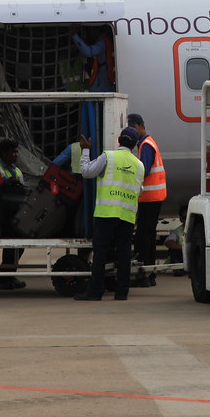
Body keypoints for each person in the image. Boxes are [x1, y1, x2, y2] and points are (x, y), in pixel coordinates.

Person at [74, 127, 144, 301]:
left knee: (100, 253)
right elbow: (139, 190)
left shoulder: (108, 156)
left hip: (106, 212)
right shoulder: (139, 165)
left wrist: (85, 151)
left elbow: (87, 172)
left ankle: (95, 292)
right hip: (127, 214)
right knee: (124, 253)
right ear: (135, 145)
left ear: (119, 139)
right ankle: (122, 293)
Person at [127, 113, 166, 287]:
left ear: (141, 126)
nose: (133, 132)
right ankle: (149, 274)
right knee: (147, 235)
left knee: (144, 236)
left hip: (150, 197)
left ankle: (146, 274)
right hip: (151, 197)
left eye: (134, 128)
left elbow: (144, 170)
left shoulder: (146, 144)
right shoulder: (145, 143)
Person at [0, 138, 26, 290]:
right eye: (13, 152)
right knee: (11, 246)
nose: (16, 154)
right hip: (3, 215)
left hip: (16, 214)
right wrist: (7, 182)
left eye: (16, 151)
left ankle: (7, 276)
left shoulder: (18, 171)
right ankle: (2, 278)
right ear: (3, 154)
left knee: (19, 245)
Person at [72, 25, 115, 92]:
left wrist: (74, 36)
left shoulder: (103, 43)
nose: (90, 34)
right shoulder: (105, 41)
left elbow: (89, 52)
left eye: (90, 31)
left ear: (96, 30)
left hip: (103, 82)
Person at [164, 204, 187, 276]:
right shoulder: (178, 231)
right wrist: (183, 248)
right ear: (181, 219)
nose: (187, 220)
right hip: (183, 254)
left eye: (189, 217)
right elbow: (168, 242)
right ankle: (178, 269)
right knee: (173, 250)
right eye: (185, 217)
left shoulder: (199, 230)